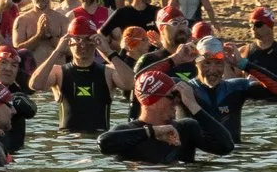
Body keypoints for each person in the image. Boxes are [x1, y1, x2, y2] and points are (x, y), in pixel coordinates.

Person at [98, 63, 234, 164]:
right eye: (172, 96)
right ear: (151, 100)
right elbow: (103, 144)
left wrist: (194, 106)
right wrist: (152, 132)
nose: (177, 101)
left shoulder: (186, 129)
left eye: (178, 96)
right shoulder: (127, 131)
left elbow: (226, 147)